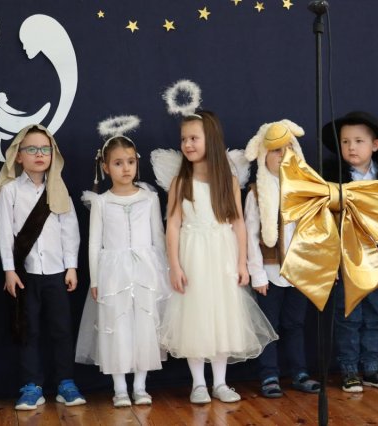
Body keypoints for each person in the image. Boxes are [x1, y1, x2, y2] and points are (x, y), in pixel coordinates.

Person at [157, 110, 278, 404]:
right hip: (193, 256)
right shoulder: (180, 182)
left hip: (222, 255)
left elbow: (238, 223)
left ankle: (221, 382)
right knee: (195, 317)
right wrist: (174, 265)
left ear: (210, 139)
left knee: (223, 318)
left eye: (194, 138)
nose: (187, 144)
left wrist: (241, 262)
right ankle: (199, 383)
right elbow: (172, 225)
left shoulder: (228, 180)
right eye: (184, 139)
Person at [75, 122, 171, 407]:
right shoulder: (101, 202)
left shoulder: (150, 198)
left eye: (130, 162)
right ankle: (119, 388)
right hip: (113, 272)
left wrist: (164, 272)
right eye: (118, 163)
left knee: (144, 325)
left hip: (145, 270)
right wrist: (95, 279)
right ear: (106, 168)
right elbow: (94, 243)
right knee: (115, 327)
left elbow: (158, 237)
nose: (125, 168)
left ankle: (140, 386)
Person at [0, 124, 85, 409]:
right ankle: (31, 385)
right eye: (31, 149)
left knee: (61, 329)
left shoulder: (59, 190)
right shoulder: (10, 191)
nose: (39, 154)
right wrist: (9, 270)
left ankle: (66, 383)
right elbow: (4, 232)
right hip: (25, 274)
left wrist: (71, 266)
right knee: (27, 330)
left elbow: (70, 230)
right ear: (19, 156)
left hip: (57, 272)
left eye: (45, 149)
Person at [322, 111, 378, 393]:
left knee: (373, 316)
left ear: (375, 145)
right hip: (346, 259)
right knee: (348, 315)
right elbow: (323, 224)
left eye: (358, 141)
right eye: (345, 142)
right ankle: (349, 370)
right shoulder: (332, 179)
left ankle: (371, 368)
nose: (351, 147)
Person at [244, 120, 319, 398]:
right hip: (270, 272)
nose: (283, 155)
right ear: (264, 155)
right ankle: (269, 374)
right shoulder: (256, 193)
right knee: (270, 326)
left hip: (298, 272)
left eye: (289, 149)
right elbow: (251, 237)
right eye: (276, 150)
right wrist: (257, 274)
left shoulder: (306, 190)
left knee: (295, 324)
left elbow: (315, 232)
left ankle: (299, 372)